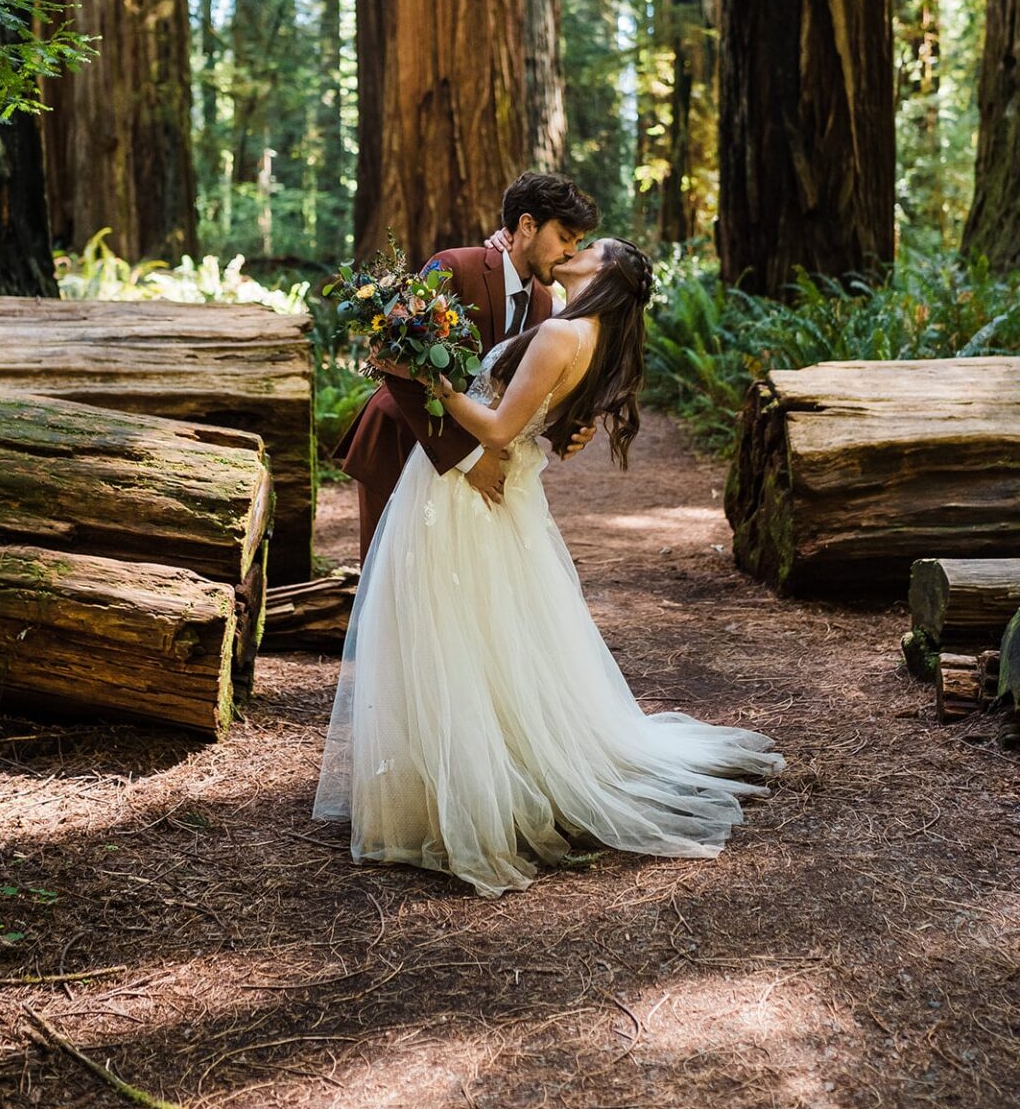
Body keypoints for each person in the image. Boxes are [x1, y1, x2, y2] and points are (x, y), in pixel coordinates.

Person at [314, 235, 785, 897]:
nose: (577, 247)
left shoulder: (564, 332)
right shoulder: (575, 328)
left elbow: (502, 431)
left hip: (466, 497)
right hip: (484, 495)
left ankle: (469, 795)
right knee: (484, 641)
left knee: (455, 637)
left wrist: (438, 382)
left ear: (606, 273)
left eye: (589, 246)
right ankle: (455, 779)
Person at [338, 171, 601, 563]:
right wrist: (469, 457)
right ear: (527, 225)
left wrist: (567, 429)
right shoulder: (454, 266)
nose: (570, 251)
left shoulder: (547, 308)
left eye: (578, 243)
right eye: (564, 237)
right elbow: (395, 359)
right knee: (389, 579)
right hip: (400, 441)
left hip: (464, 467)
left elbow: (514, 393)